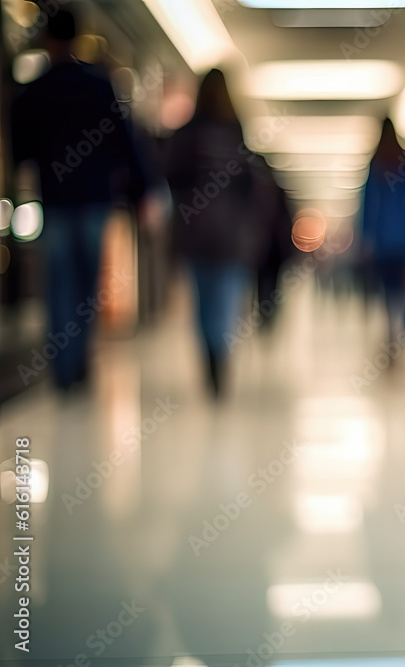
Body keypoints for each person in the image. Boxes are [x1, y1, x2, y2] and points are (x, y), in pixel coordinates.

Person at [11, 8, 147, 392]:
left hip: (54, 200)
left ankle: (62, 369)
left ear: (47, 39)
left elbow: (22, 152)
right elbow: (125, 141)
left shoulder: (33, 91)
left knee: (57, 284)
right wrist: (142, 191)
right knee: (87, 285)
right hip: (94, 200)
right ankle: (80, 357)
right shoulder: (100, 85)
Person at [166, 69, 267, 398]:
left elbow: (171, 176)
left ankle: (211, 356)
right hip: (231, 235)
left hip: (195, 231)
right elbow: (251, 189)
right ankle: (220, 355)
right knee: (225, 299)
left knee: (202, 300)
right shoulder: (237, 136)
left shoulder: (187, 135)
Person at [360, 119, 405, 361]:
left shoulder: (375, 166)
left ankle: (391, 333)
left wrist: (365, 238)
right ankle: (403, 331)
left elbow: (366, 206)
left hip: (382, 242)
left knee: (389, 292)